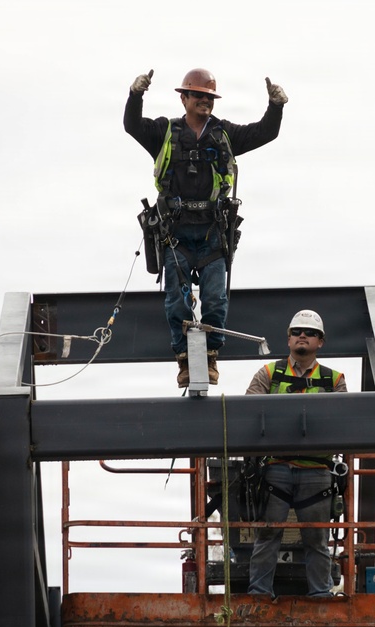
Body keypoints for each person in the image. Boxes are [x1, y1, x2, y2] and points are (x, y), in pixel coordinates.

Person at [124, 68, 288, 387]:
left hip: (213, 235)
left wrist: (276, 107)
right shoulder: (165, 133)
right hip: (175, 235)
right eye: (198, 95)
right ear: (183, 97)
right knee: (177, 299)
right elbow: (132, 126)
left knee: (215, 298)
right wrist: (135, 95)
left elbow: (263, 133)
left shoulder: (223, 134)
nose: (205, 101)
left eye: (209, 97)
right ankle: (184, 360)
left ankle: (211, 355)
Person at [246, 310, 347, 598]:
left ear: (320, 341)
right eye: (297, 331)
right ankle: (260, 592)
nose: (303, 335)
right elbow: (249, 411)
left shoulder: (334, 379)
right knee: (268, 535)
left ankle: (320, 594)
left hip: (316, 470)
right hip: (277, 468)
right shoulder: (268, 374)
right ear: (289, 339)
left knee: (316, 538)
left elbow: (343, 421)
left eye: (310, 332)